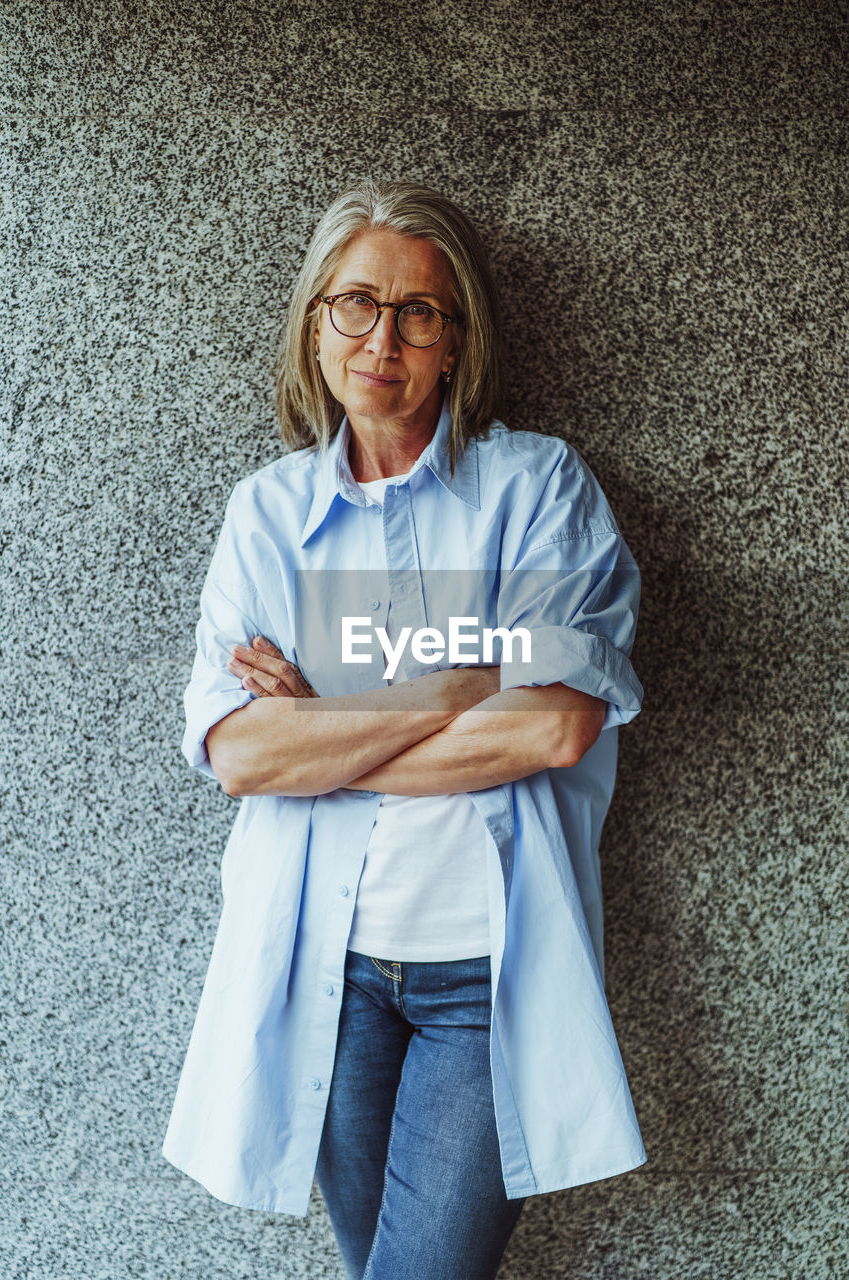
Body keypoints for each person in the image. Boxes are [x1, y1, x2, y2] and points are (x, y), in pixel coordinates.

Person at [163, 179, 646, 1280]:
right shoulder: (268, 516)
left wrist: (323, 734)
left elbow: (556, 726)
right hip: (320, 974)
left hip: (482, 974)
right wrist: (447, 688)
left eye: (418, 311)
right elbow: (239, 752)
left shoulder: (535, 491)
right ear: (314, 323)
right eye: (356, 303)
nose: (383, 337)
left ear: (456, 339)